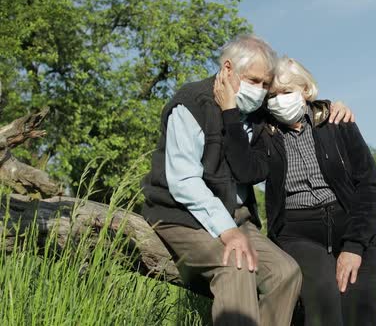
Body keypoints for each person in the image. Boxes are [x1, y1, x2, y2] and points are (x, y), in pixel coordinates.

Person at [141, 35, 354, 326]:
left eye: (265, 84)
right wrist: (227, 230)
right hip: (181, 215)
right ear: (227, 70)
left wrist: (333, 108)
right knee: (237, 267)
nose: (261, 91)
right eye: (254, 80)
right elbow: (184, 181)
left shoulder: (257, 113)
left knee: (285, 272)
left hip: (237, 216)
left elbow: (302, 103)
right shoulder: (191, 104)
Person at [215, 57, 376, 326]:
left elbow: (370, 185)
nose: (278, 100)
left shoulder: (336, 121)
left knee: (359, 307)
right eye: (272, 95)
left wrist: (353, 246)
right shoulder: (265, 130)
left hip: (352, 225)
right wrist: (230, 114)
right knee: (323, 303)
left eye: (286, 92)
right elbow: (246, 171)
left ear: (305, 91)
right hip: (297, 229)